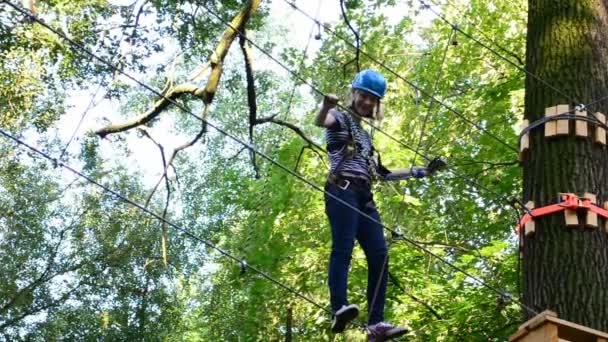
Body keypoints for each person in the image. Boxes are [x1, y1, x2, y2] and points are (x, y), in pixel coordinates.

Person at [315, 69, 444, 341]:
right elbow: (322, 120)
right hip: (343, 189)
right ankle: (338, 307)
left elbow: (383, 174)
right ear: (355, 94)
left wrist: (421, 171)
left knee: (380, 254)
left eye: (373, 99)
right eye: (364, 96)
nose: (368, 103)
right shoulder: (340, 118)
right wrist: (326, 104)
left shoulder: (365, 137)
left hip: (364, 195)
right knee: (343, 247)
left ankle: (376, 325)